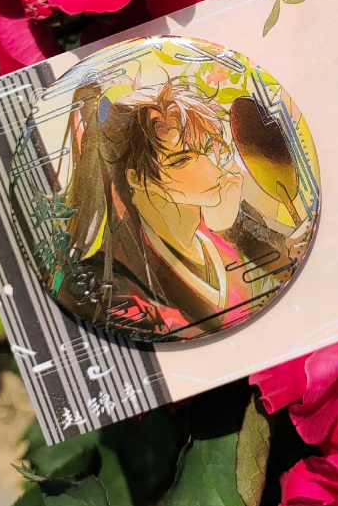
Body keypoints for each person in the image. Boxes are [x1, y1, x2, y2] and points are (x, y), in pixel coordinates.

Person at [52, 78, 301, 339]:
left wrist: (237, 232)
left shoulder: (229, 218)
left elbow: (291, 266)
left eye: (207, 149)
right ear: (137, 178)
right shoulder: (104, 280)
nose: (211, 169)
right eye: (181, 160)